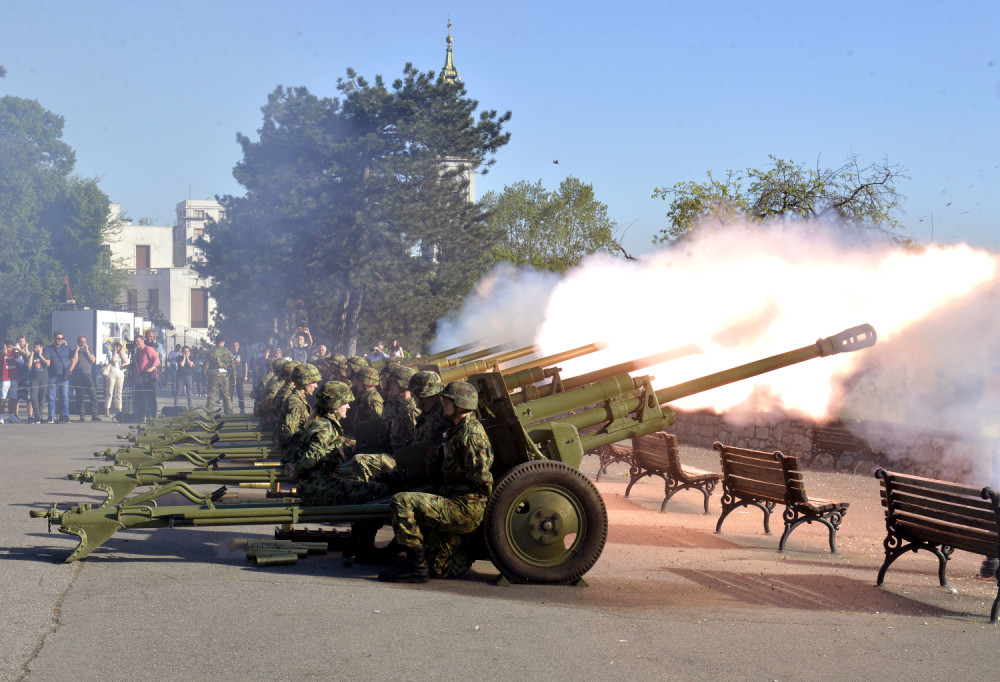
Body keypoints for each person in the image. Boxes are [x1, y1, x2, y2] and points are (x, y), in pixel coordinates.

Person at [378, 381, 493, 583]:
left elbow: (482, 480)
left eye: (447, 400)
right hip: (455, 500)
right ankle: (426, 562)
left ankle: (416, 568)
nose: (443, 403)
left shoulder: (471, 435)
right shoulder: (458, 430)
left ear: (461, 404)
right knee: (438, 567)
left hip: (465, 507)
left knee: (402, 501)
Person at [69, 335, 101, 421]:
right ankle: (82, 415)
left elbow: (93, 360)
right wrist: (76, 350)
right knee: (79, 396)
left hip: (87, 375)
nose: (82, 343)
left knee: (93, 395)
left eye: (84, 342)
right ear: (78, 342)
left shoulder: (88, 351)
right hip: (77, 375)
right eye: (81, 342)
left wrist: (87, 350)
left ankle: (95, 415)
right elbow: (74, 361)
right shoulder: (74, 351)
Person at [45, 332, 72, 424]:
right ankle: (51, 416)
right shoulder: (48, 349)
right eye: (57, 338)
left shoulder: (67, 349)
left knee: (64, 397)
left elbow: (73, 359)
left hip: (64, 377)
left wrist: (70, 369)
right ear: (53, 338)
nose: (59, 340)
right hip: (52, 376)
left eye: (61, 338)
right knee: (51, 397)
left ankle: (65, 416)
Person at [203, 335, 236, 413]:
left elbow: (206, 366)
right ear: (223, 342)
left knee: (211, 395)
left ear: (216, 342)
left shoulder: (210, 352)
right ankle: (229, 412)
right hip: (224, 375)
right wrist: (234, 378)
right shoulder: (229, 352)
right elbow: (233, 366)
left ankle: (210, 413)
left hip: (213, 375)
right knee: (226, 395)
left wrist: (204, 378)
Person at [132, 333, 160, 421]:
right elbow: (135, 364)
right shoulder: (138, 352)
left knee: (150, 397)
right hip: (140, 377)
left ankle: (153, 415)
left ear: (142, 341)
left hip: (149, 377)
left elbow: (156, 359)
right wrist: (124, 367)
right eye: (135, 342)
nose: (137, 343)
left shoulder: (148, 349)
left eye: (138, 342)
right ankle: (142, 415)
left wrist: (152, 367)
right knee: (141, 397)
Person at [25, 340, 49, 424]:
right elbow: (29, 365)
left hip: (43, 378)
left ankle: (40, 416)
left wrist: (40, 355)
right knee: (33, 397)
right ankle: (37, 416)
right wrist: (32, 354)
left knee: (41, 398)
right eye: (34, 347)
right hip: (34, 379)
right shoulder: (32, 354)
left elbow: (48, 363)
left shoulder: (45, 353)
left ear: (41, 347)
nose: (35, 348)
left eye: (37, 347)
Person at [104, 340, 128, 417]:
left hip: (120, 374)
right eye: (116, 345)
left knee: (119, 392)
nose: (118, 347)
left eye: (119, 346)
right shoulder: (110, 352)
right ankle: (107, 411)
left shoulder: (123, 353)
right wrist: (115, 352)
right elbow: (113, 361)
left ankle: (119, 411)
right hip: (112, 373)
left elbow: (125, 361)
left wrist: (121, 354)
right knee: (110, 392)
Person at [1, 341, 22, 424]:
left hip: (14, 378)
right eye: (8, 347)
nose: (9, 349)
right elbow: (4, 353)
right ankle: (1, 416)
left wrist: (15, 348)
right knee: (2, 399)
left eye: (10, 347)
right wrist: (4, 348)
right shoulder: (2, 353)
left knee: (13, 399)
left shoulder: (14, 354)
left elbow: (22, 353)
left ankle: (11, 416)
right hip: (4, 379)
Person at [174, 346, 195, 410]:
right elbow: (182, 365)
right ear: (182, 352)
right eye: (185, 351)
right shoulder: (179, 358)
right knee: (178, 392)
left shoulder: (191, 358)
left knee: (189, 392)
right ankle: (175, 406)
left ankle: (190, 406)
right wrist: (184, 357)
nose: (186, 352)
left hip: (188, 376)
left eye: (187, 351)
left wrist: (187, 358)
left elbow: (191, 364)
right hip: (180, 376)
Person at [231, 340, 249, 414]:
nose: (235, 347)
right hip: (231, 376)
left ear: (238, 346)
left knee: (240, 393)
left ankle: (242, 408)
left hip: (239, 376)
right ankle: (229, 408)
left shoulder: (241, 354)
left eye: (236, 345)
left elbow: (245, 365)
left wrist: (246, 375)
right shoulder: (230, 354)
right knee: (230, 393)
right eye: (234, 345)